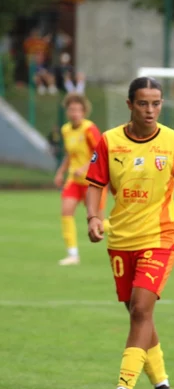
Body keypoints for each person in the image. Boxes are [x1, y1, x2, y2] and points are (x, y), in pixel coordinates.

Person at [85, 77, 174, 389]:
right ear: (129, 105)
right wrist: (93, 217)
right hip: (121, 239)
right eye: (143, 103)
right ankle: (162, 382)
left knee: (140, 310)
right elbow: (95, 183)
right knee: (139, 315)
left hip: (160, 237)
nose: (150, 110)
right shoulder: (109, 141)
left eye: (156, 103)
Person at [54, 93, 104, 265]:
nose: (74, 112)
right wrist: (61, 172)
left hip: (92, 182)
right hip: (74, 180)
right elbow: (70, 153)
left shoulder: (89, 129)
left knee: (100, 223)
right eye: (71, 109)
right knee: (66, 212)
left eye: (78, 109)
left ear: (84, 111)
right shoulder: (66, 130)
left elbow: (100, 152)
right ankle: (73, 254)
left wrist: (84, 168)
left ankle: (130, 228)